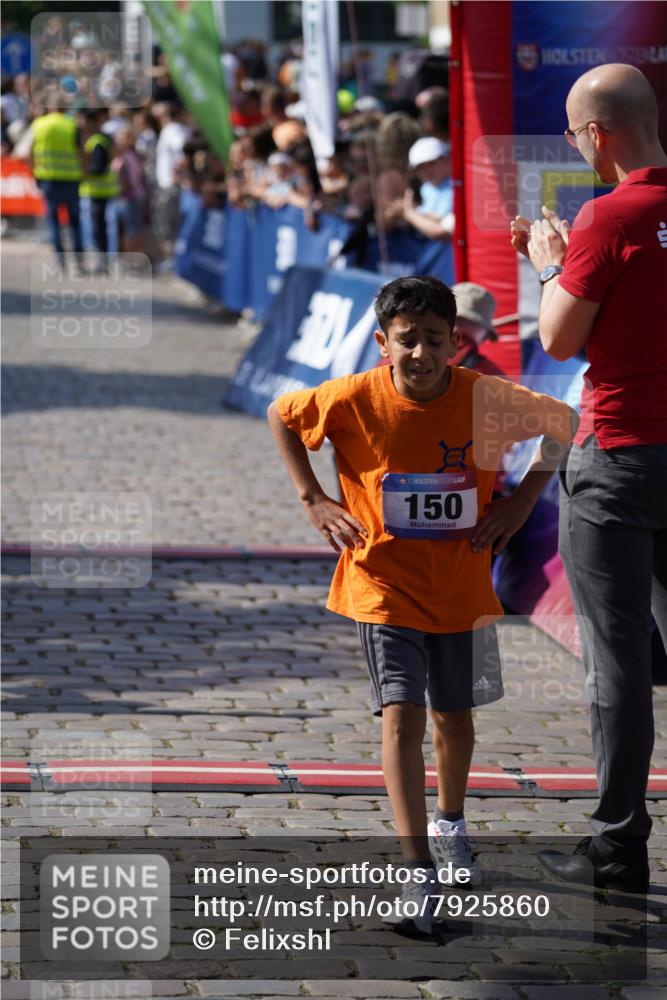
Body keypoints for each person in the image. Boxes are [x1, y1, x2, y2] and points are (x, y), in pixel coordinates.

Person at [268, 275, 577, 935]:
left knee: (455, 722)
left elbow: (563, 422)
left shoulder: (484, 400)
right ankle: (417, 871)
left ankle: (452, 823)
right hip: (382, 585)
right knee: (401, 718)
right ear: (383, 343)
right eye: (406, 340)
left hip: (464, 587)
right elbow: (282, 415)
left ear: (453, 344)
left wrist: (520, 502)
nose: (420, 353)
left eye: (433, 340)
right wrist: (313, 500)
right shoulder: (352, 398)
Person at [511, 63, 667, 893]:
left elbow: (560, 339)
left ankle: (616, 846)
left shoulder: (607, 217)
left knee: (616, 665)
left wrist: (549, 262)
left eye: (576, 134)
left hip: (621, 459)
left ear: (596, 135)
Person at [29, 105, 85, 270]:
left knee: (53, 221)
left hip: (48, 179)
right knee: (75, 221)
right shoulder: (72, 124)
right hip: (72, 179)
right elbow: (81, 152)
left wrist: (35, 172)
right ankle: (79, 261)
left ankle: (60, 261)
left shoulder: (39, 124)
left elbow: (28, 152)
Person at [79, 110, 120, 270]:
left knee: (98, 229)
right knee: (100, 228)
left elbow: (99, 167)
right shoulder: (101, 139)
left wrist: (83, 170)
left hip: (97, 192)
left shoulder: (98, 141)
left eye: (82, 119)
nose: (80, 122)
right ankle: (104, 261)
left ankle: (102, 262)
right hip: (102, 191)